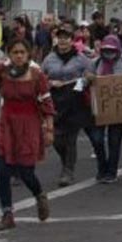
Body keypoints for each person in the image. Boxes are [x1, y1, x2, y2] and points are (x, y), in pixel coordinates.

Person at [0, 37, 54, 231]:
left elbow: (47, 103)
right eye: (15, 52)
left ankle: (39, 195)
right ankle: (7, 214)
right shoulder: (2, 71)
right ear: (9, 54)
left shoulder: (36, 75)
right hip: (7, 125)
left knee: (26, 172)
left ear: (28, 54)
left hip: (29, 126)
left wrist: (49, 129)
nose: (18, 56)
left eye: (22, 52)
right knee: (2, 171)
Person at [42, 25, 92, 186]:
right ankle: (65, 162)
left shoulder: (81, 58)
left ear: (72, 40)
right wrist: (50, 83)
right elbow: (40, 78)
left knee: (70, 139)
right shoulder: (49, 58)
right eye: (60, 37)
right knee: (56, 138)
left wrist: (81, 81)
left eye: (66, 37)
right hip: (55, 102)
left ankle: (68, 171)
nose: (63, 40)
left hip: (75, 102)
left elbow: (91, 75)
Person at [85, 35, 122, 183]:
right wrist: (89, 77)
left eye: (112, 50)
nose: (109, 53)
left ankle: (111, 172)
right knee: (97, 139)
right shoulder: (95, 62)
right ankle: (102, 166)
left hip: (118, 108)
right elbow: (84, 80)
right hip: (99, 108)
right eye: (106, 50)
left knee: (114, 141)